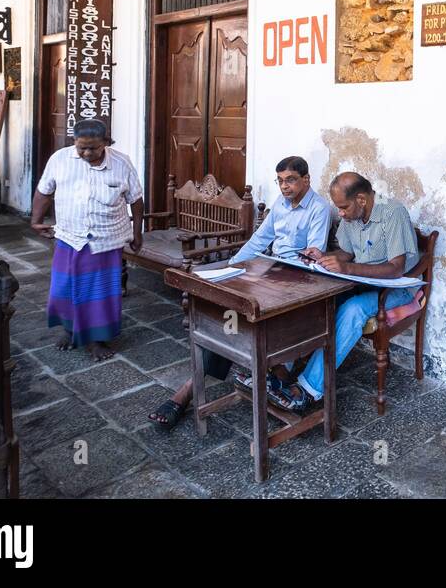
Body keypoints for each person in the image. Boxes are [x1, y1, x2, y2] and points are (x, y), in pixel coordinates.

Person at [148, 155, 333, 427]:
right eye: (280, 181)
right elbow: (259, 241)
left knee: (239, 316)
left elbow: (313, 256)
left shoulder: (319, 208)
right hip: (268, 270)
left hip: (296, 279)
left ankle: (195, 387)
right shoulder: (280, 205)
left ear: (306, 180)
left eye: (291, 180)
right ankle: (196, 383)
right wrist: (233, 266)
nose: (284, 187)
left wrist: (272, 273)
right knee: (227, 311)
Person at [290, 171, 420, 404]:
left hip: (395, 289)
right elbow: (347, 253)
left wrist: (347, 269)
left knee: (353, 309)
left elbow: (396, 269)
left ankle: (308, 390)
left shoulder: (392, 212)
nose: (340, 213)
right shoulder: (353, 217)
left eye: (343, 207)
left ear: (361, 199)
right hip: (361, 283)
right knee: (316, 300)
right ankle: (281, 370)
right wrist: (324, 256)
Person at [31, 119, 144, 361]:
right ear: (74, 142)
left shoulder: (121, 162)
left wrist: (137, 232)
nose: (86, 153)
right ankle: (71, 331)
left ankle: (96, 339)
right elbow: (44, 191)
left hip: (106, 239)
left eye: (92, 148)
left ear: (106, 143)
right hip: (69, 236)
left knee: (98, 292)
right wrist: (35, 220)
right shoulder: (60, 159)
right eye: (81, 147)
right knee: (65, 288)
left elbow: (136, 199)